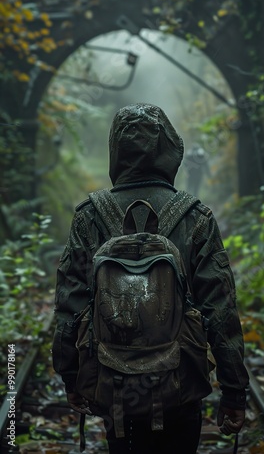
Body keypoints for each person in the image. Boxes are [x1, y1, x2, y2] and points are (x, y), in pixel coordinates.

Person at [52, 103, 249, 454]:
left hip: (113, 380)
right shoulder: (196, 216)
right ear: (170, 149)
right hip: (181, 379)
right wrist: (234, 390)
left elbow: (70, 305)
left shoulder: (89, 217)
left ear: (116, 150)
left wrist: (71, 377)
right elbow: (220, 310)